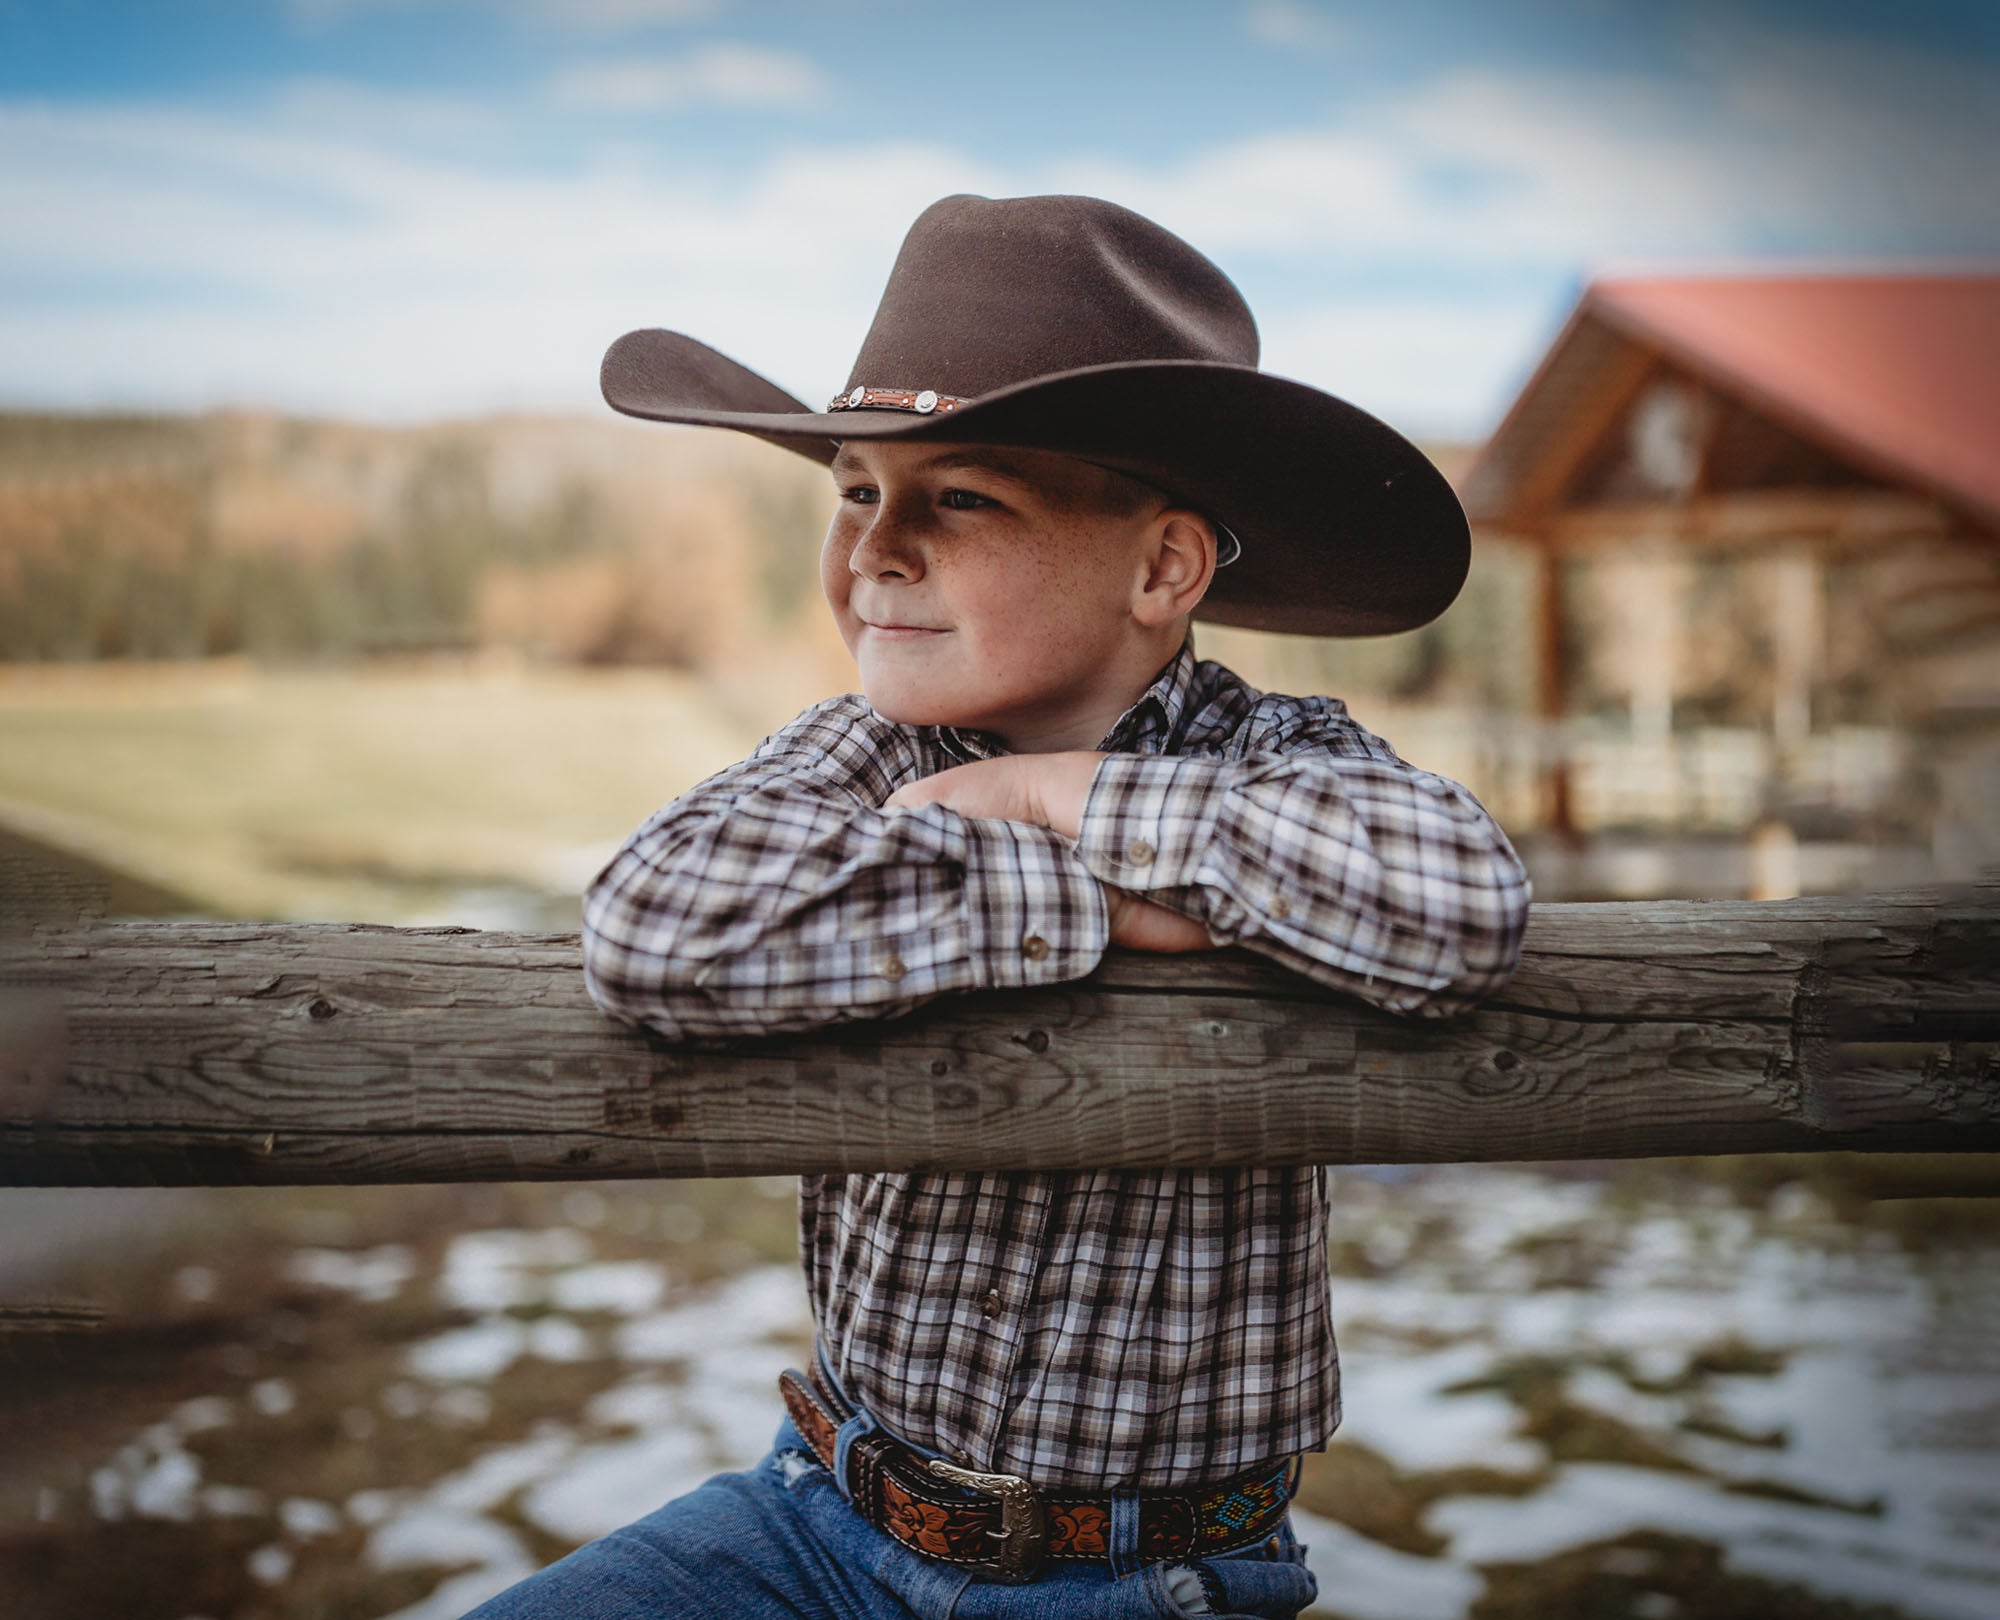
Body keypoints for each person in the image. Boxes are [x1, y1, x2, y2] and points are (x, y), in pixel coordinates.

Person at [471, 193, 1530, 1620]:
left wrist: (1052, 796)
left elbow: (1456, 898)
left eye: (959, 497)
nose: (875, 548)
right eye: (855, 489)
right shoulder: (861, 750)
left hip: (1149, 1571)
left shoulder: (1280, 757)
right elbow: (659, 921)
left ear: (1163, 566)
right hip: (820, 1513)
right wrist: (1103, 901)